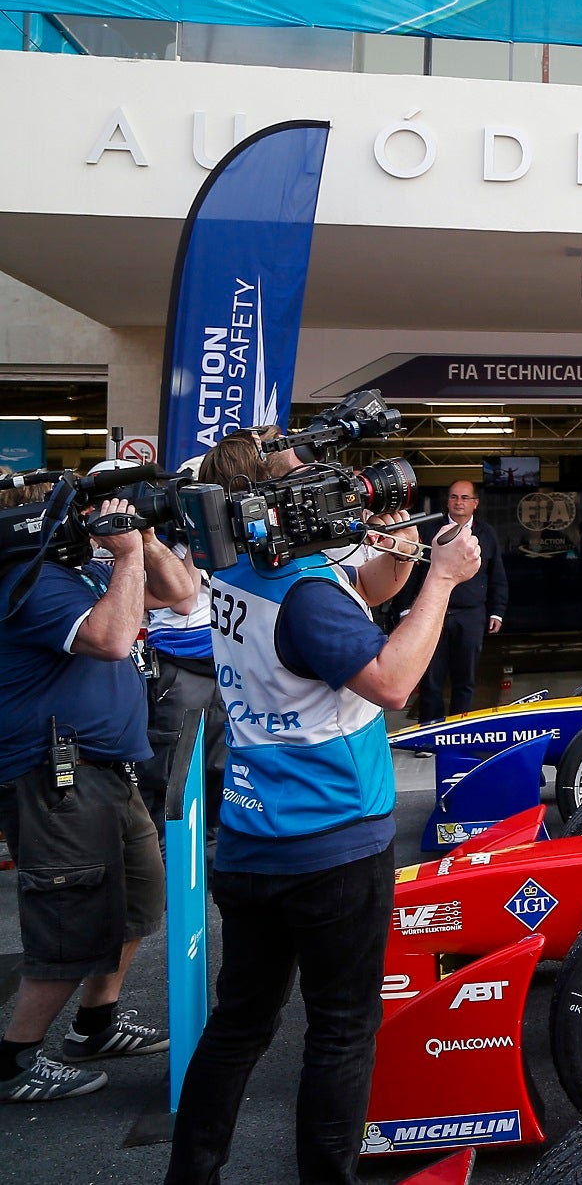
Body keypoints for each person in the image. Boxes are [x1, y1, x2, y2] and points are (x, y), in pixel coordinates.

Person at [165, 459, 480, 1182]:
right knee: (341, 1032)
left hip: (251, 836)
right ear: (278, 501)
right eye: (309, 481)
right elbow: (394, 681)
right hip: (332, 840)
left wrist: (397, 542)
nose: (336, 492)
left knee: (240, 1021)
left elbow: (362, 588)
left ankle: (191, 1172)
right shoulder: (303, 592)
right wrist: (440, 579)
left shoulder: (243, 569)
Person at [0, 483, 196, 1102]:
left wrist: (145, 541)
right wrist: (129, 557)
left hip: (105, 768)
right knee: (71, 919)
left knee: (140, 897)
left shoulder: (78, 569)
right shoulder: (32, 582)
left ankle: (95, 1025)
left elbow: (183, 595)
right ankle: (13, 1059)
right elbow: (113, 639)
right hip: (57, 777)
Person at [137, 456, 220, 846]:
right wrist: (196, 533)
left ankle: (211, 844)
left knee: (220, 761)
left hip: (220, 661)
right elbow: (184, 601)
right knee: (175, 767)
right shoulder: (163, 543)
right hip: (179, 664)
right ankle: (167, 853)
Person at [406, 479, 506, 723]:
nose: (458, 502)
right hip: (432, 614)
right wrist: (405, 610)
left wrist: (497, 612)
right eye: (453, 497)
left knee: (466, 678)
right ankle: (429, 731)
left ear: (475, 503)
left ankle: (461, 730)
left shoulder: (486, 534)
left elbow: (497, 575)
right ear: (447, 501)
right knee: (431, 677)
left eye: (464, 498)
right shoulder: (430, 531)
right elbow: (412, 573)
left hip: (471, 615)